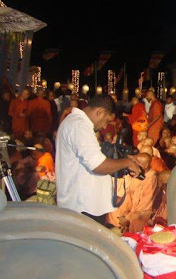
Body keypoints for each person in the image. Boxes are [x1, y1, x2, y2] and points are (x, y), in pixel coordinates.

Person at [56, 95, 141, 223]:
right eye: (107, 121)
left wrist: (121, 159)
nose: (105, 127)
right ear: (100, 112)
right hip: (82, 208)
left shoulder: (76, 123)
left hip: (84, 206)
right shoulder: (79, 126)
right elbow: (98, 165)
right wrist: (127, 163)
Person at [106, 152, 158, 233]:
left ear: (146, 165)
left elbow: (145, 205)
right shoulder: (135, 173)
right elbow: (124, 191)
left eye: (137, 163)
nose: (134, 165)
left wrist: (128, 218)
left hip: (138, 214)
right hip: (124, 212)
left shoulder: (151, 178)